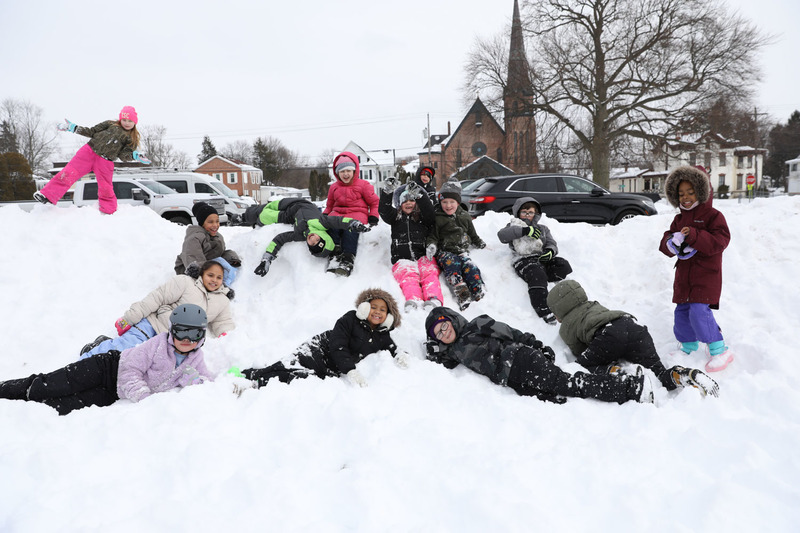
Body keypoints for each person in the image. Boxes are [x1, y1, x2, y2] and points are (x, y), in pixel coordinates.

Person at [0, 304, 213, 415]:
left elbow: (206, 383)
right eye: (181, 332)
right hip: (107, 367)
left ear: (201, 337)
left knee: (63, 406)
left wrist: (238, 381)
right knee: (50, 385)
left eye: (193, 335)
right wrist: (146, 399)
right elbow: (130, 369)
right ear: (171, 331)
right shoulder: (157, 344)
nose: (186, 340)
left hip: (113, 392)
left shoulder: (195, 360)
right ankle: (7, 390)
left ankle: (19, 412)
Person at [424, 306, 653, 404]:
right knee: (550, 394)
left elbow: (511, 332)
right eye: (438, 334)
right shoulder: (453, 352)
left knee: (568, 384)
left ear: (452, 319)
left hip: (520, 358)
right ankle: (608, 374)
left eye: (444, 326)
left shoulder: (478, 324)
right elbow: (442, 363)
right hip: (510, 377)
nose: (443, 334)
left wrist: (537, 345)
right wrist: (433, 350)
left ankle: (630, 388)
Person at [546, 280, 719, 397]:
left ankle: (619, 374)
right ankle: (680, 375)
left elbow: (579, 351)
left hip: (608, 335)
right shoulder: (594, 305)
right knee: (657, 372)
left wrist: (593, 360)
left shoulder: (566, 325)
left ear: (560, 309)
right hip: (634, 328)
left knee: (582, 368)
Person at [231, 288, 407, 390]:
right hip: (318, 350)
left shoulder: (382, 335)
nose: (377, 311)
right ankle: (249, 377)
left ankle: (258, 380)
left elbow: (392, 348)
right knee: (287, 366)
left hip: (331, 367)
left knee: (300, 378)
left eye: (383, 310)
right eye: (373, 307)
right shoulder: (351, 318)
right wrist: (350, 370)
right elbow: (338, 345)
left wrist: (400, 355)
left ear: (389, 317)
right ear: (364, 307)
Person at [79, 260, 234, 359]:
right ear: (202, 273)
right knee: (125, 347)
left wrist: (228, 339)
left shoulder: (222, 301)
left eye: (218, 277)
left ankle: (104, 346)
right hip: (152, 325)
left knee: (137, 361)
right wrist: (130, 318)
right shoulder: (185, 282)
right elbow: (157, 297)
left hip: (173, 341)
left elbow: (223, 322)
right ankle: (89, 357)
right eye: (210, 275)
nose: (214, 280)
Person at [659, 165, 733, 372]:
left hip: (706, 275)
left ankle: (719, 349)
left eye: (690, 192)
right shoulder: (679, 218)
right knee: (681, 312)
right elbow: (667, 239)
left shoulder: (713, 216)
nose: (685, 197)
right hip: (684, 276)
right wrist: (669, 242)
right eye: (681, 194)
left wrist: (694, 235)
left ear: (701, 191)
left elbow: (720, 241)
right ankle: (688, 345)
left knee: (699, 311)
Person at [33, 106, 152, 214]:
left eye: (130, 121)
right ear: (120, 118)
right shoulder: (110, 124)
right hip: (88, 152)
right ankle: (47, 196)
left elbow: (123, 155)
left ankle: (109, 211)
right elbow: (92, 131)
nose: (126, 123)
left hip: (105, 161)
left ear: (135, 122)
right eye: (124, 120)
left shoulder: (131, 138)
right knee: (68, 173)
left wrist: (135, 156)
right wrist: (74, 128)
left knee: (106, 187)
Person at [240, 197, 370, 277]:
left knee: (265, 217)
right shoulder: (321, 223)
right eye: (318, 239)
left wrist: (266, 260)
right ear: (322, 236)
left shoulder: (300, 235)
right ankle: (243, 217)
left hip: (290, 216)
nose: (313, 238)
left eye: (312, 243)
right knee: (266, 208)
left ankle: (251, 220)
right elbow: (339, 221)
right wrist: (354, 223)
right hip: (298, 203)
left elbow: (279, 239)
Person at [497, 197, 572, 324]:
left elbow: (551, 243)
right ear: (518, 213)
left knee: (563, 265)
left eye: (530, 212)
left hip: (541, 258)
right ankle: (543, 308)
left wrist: (550, 251)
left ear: (536, 214)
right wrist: (524, 230)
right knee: (537, 274)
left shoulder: (543, 228)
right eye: (524, 212)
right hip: (523, 260)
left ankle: (542, 277)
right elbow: (502, 236)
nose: (527, 215)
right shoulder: (513, 226)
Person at [379, 179, 444, 312]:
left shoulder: (423, 217)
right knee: (408, 277)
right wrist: (387, 192)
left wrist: (420, 195)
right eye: (404, 201)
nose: (408, 203)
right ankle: (414, 299)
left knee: (430, 273)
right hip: (402, 260)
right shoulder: (395, 218)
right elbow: (384, 210)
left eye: (412, 200)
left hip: (423, 256)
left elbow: (429, 211)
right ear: (399, 204)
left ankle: (433, 298)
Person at [425, 179, 487, 310]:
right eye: (444, 202)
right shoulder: (438, 218)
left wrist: (481, 244)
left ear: (458, 202)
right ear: (440, 202)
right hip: (445, 252)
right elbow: (433, 236)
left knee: (471, 268)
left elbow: (472, 234)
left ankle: (478, 292)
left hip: (462, 251)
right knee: (452, 266)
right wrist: (431, 245)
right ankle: (462, 294)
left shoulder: (465, 216)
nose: (448, 205)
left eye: (452, 202)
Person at [322, 152, 380, 276]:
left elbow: (374, 202)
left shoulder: (363, 185)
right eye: (342, 171)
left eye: (348, 170)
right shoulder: (334, 187)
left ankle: (348, 258)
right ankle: (334, 254)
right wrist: (326, 216)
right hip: (337, 213)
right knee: (332, 226)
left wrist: (373, 215)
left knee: (351, 229)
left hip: (357, 213)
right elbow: (330, 205)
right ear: (337, 173)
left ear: (354, 171)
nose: (346, 174)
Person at [174, 201, 242, 287]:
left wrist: (232, 258)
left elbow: (221, 253)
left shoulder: (218, 237)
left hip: (208, 267)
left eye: (217, 221)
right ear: (202, 223)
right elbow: (194, 262)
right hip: (191, 272)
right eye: (210, 222)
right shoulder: (194, 239)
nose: (215, 225)